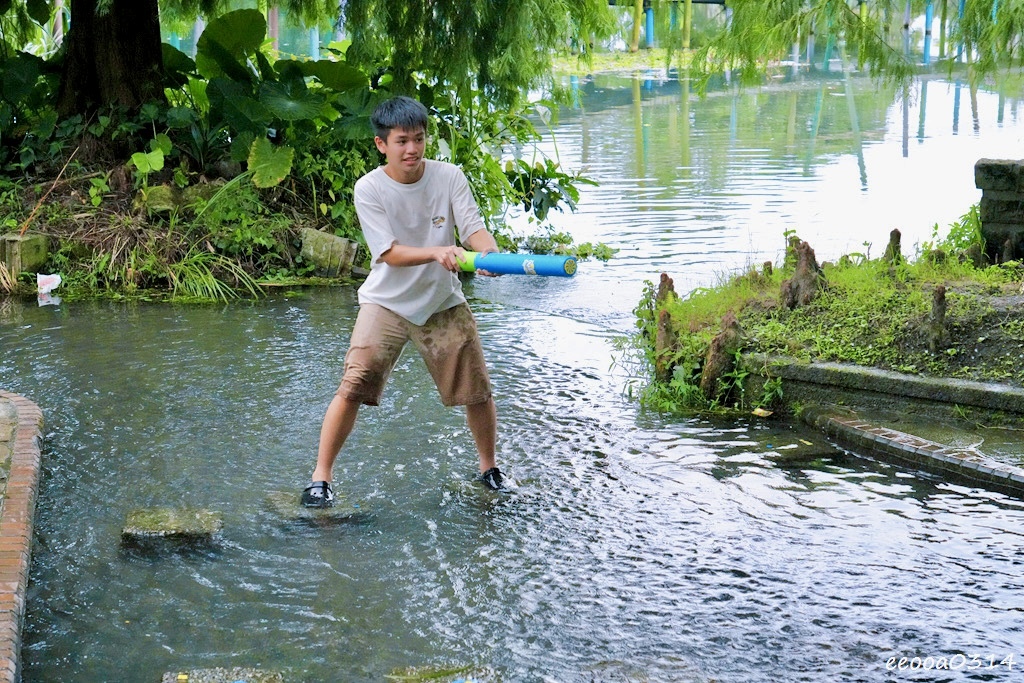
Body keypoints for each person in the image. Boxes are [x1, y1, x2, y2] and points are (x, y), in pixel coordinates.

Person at [301, 95, 506, 508]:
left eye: (419, 139)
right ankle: (320, 478)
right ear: (382, 144)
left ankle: (490, 469)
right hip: (386, 303)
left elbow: (473, 229)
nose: (412, 149)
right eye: (402, 141)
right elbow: (389, 253)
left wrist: (489, 255)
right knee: (353, 385)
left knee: (477, 389)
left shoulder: (449, 176)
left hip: (441, 301)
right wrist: (436, 252)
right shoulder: (369, 188)